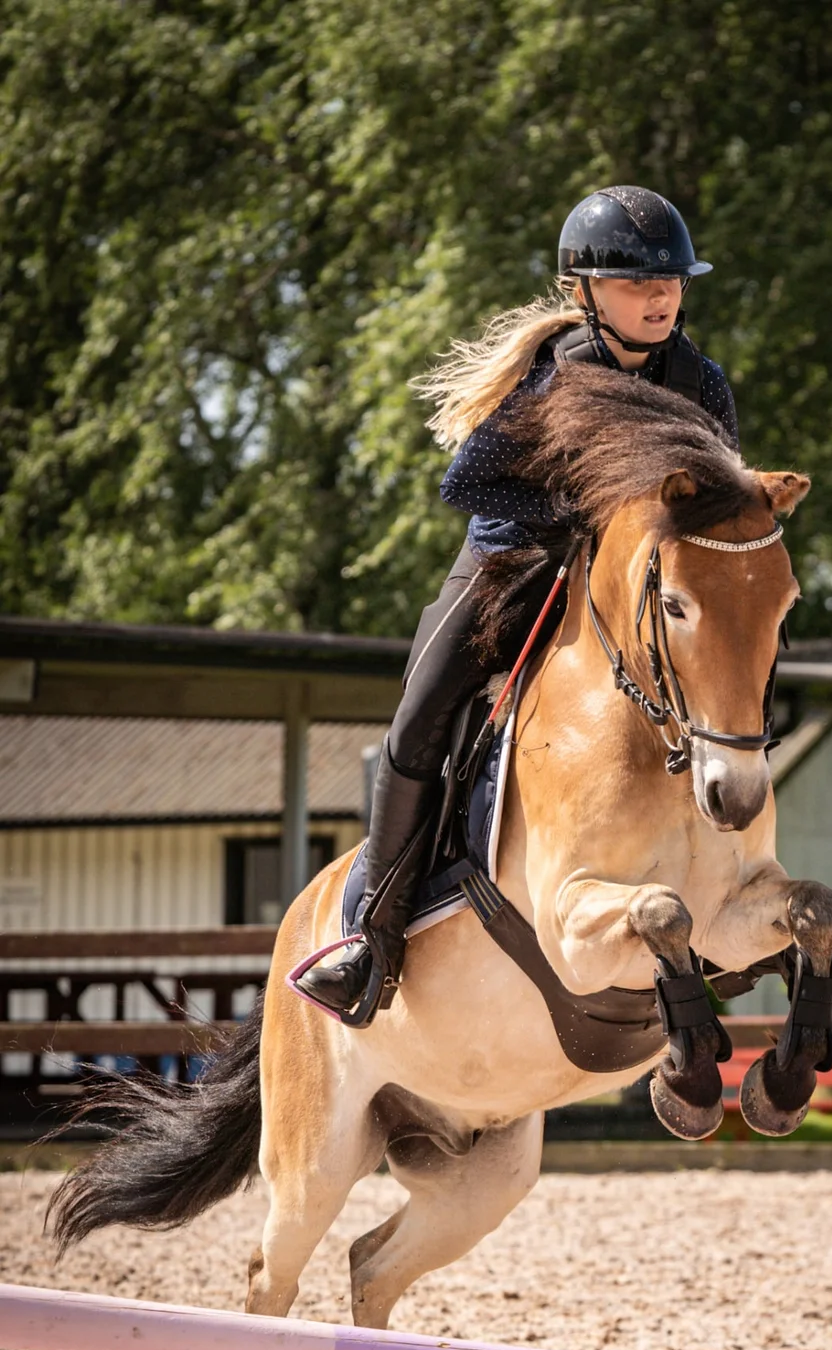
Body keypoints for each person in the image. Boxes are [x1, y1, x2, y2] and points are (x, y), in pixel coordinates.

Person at [298, 186, 740, 1022]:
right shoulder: (554, 375)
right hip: (514, 561)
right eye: (637, 283)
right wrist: (582, 508)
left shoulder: (701, 383)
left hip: (635, 580)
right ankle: (370, 935)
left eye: (672, 281)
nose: (660, 297)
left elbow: (717, 496)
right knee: (421, 711)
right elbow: (464, 482)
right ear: (586, 291)